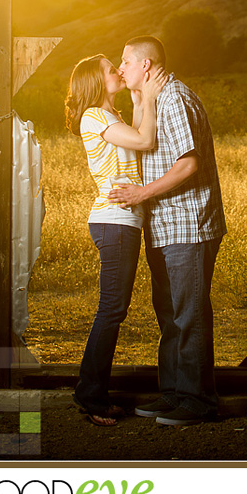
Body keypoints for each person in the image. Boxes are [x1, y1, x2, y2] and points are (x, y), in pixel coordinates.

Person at [109, 36, 226, 426]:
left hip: (187, 225)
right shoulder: (157, 99)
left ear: (146, 65)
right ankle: (174, 393)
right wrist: (142, 100)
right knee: (171, 314)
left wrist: (140, 193)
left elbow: (188, 165)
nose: (120, 67)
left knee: (188, 314)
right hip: (165, 226)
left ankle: (198, 402)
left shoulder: (175, 98)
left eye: (125, 61)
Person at [64, 53, 167, 426]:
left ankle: (90, 390)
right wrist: (151, 97)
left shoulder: (113, 116)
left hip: (124, 221)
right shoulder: (94, 116)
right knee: (112, 309)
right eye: (112, 69)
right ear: (96, 80)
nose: (118, 71)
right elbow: (145, 140)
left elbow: (138, 136)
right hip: (114, 220)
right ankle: (90, 395)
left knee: (113, 309)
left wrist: (140, 100)